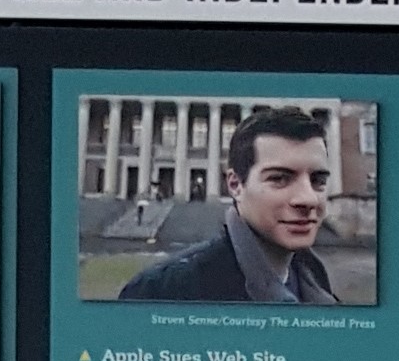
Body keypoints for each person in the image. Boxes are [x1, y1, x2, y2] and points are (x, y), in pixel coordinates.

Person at [119, 102, 341, 304]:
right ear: (235, 185)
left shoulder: (315, 276)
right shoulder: (161, 291)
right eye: (280, 179)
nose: (308, 199)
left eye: (318, 181)